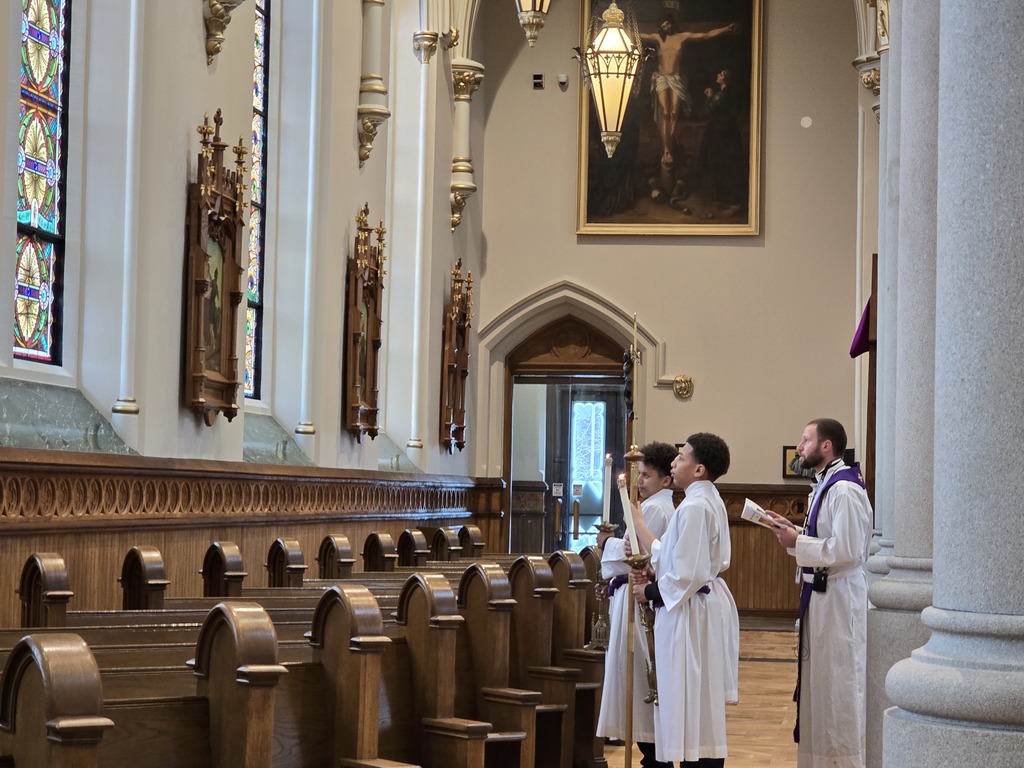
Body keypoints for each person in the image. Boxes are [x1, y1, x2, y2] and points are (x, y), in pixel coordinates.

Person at [765, 419, 873, 768]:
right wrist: (791, 531)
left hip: (840, 600)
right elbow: (827, 538)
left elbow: (849, 549)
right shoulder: (826, 484)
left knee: (838, 685)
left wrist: (798, 542)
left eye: (805, 439)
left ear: (826, 446)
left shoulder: (844, 490)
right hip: (824, 597)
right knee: (821, 686)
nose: (799, 446)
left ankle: (842, 760)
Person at [629, 433, 739, 767]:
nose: (675, 462)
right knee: (692, 700)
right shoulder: (704, 499)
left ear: (700, 469)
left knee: (690, 698)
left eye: (682, 457)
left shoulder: (694, 506)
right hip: (695, 606)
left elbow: (688, 573)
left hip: (690, 612)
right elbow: (677, 556)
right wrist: (645, 537)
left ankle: (696, 759)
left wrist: (649, 592)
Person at [595, 441, 678, 768]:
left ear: (665, 481)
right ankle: (649, 754)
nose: (639, 481)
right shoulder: (651, 505)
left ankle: (652, 757)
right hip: (631, 599)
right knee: (633, 683)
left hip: (642, 609)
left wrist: (607, 544)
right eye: (638, 474)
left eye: (646, 475)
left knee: (641, 683)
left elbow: (641, 553)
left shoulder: (657, 509)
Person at [640, 18, 741, 166]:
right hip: (661, 77)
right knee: (665, 113)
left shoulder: (682, 37)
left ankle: (671, 146)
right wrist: (619, 28)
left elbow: (706, 35)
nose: (666, 26)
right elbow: (640, 35)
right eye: (663, 25)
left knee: (674, 113)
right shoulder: (657, 38)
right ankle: (665, 148)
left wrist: (726, 28)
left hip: (676, 78)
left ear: (672, 24)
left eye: (668, 23)